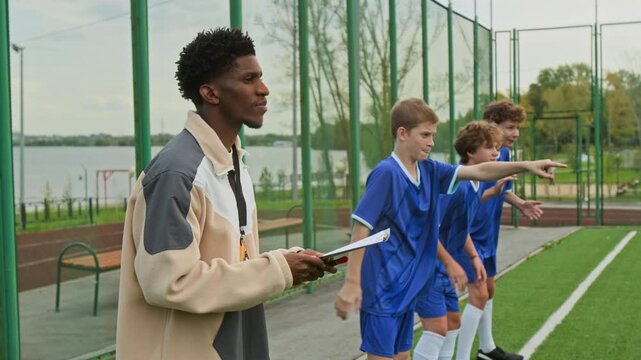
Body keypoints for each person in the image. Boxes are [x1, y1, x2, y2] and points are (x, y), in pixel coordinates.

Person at [116, 28, 334, 360]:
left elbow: (234, 262)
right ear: (211, 93)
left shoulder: (232, 162)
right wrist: (278, 269)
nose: (264, 90)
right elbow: (170, 282)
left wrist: (291, 261)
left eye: (260, 78)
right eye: (249, 79)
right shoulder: (178, 173)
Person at [334, 98, 564, 360]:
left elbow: (479, 171)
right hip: (383, 289)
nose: (431, 142)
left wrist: (526, 166)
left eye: (433, 135)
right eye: (425, 135)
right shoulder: (387, 173)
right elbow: (361, 227)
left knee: (404, 357)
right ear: (402, 133)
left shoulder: (430, 170)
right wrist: (352, 283)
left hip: (406, 289)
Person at [413, 121, 515, 360]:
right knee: (437, 329)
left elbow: (462, 223)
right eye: (489, 147)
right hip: (429, 267)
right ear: (470, 152)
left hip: (444, 268)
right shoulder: (456, 186)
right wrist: (451, 263)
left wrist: (473, 257)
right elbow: (430, 230)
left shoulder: (476, 183)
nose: (495, 152)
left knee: (453, 322)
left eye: (497, 147)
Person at [458, 100, 536, 360]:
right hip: (471, 235)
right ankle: (462, 354)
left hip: (488, 233)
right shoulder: (483, 156)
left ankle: (487, 348)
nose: (515, 133)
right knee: (477, 294)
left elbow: (502, 191)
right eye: (510, 127)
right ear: (492, 127)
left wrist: (520, 203)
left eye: (518, 128)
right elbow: (473, 194)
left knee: (488, 290)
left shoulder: (503, 153)